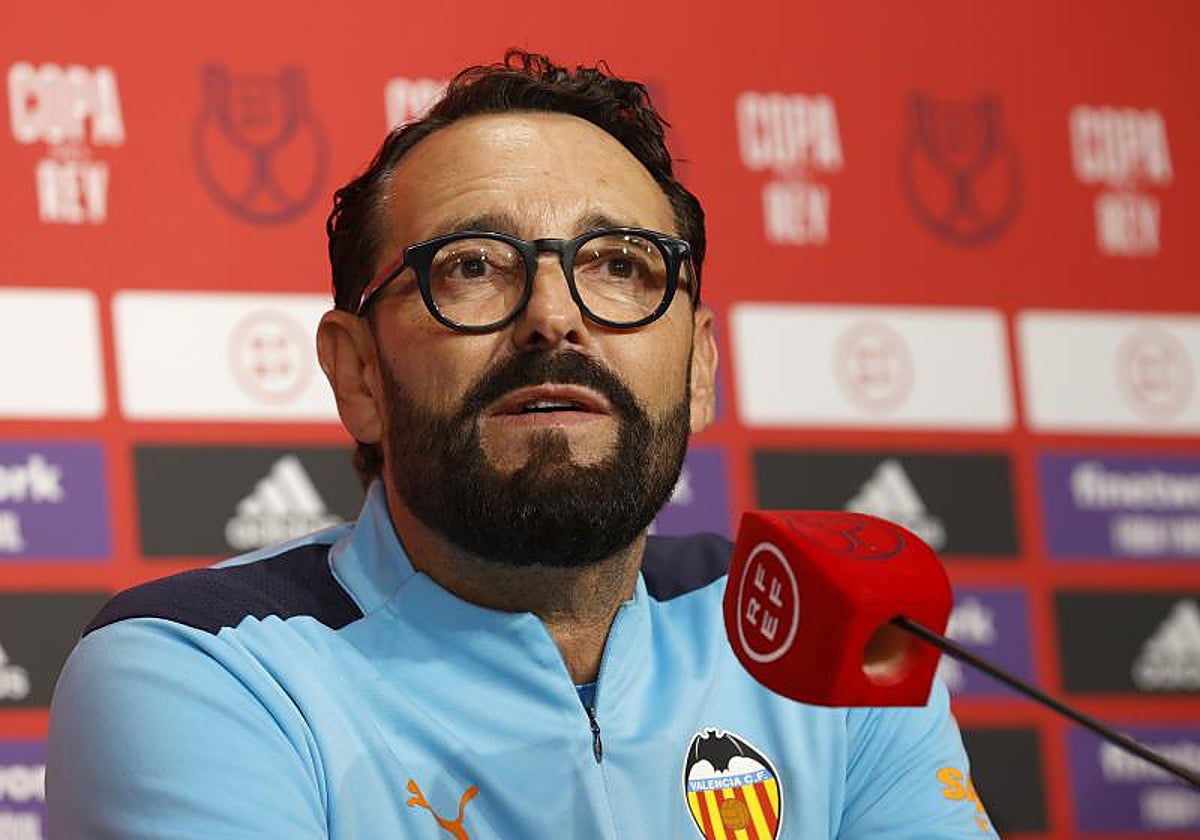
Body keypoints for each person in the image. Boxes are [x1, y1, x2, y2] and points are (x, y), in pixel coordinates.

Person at [48, 51, 996, 839]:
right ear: (359, 376)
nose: (555, 319)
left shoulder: (805, 631)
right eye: (471, 267)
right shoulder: (205, 668)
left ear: (701, 369)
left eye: (620, 266)